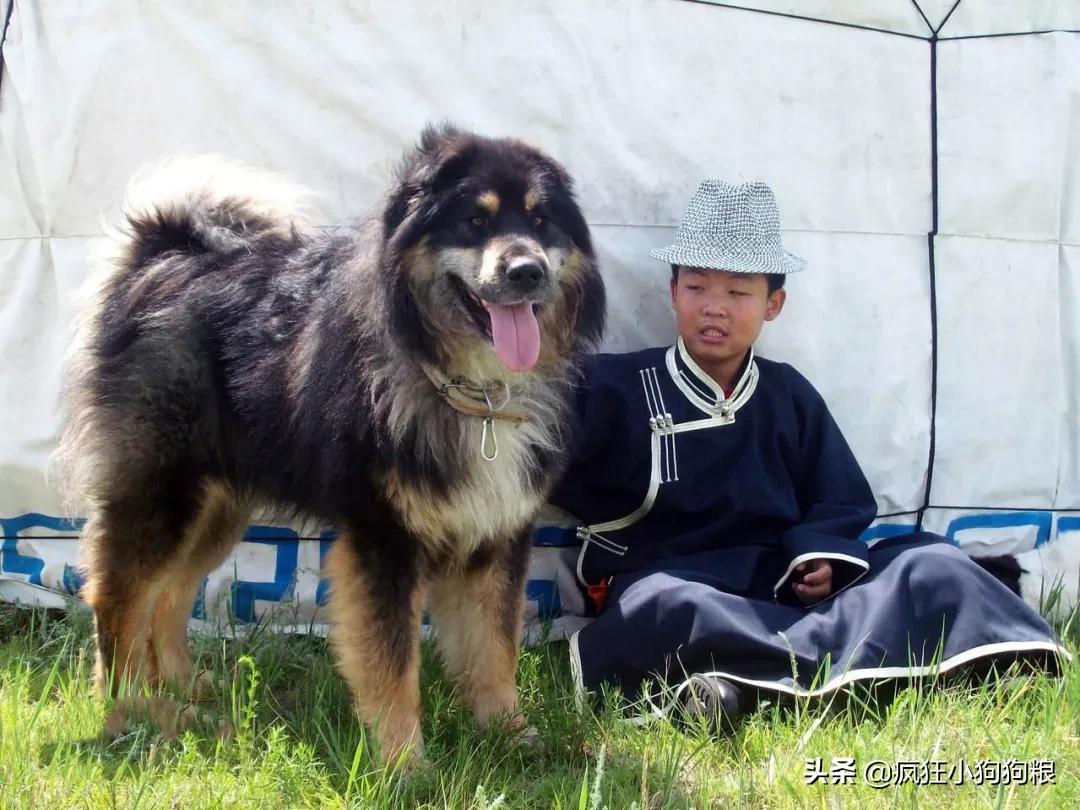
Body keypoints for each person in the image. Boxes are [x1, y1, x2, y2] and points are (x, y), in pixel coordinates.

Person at [549, 180, 1067, 723]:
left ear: (773, 304)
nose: (714, 309)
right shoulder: (612, 386)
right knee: (661, 609)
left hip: (781, 582)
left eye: (738, 292)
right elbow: (531, 458)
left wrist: (819, 555)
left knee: (931, 561)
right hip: (678, 581)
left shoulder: (787, 393)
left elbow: (838, 496)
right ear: (673, 290)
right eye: (698, 287)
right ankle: (858, 671)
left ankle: (745, 686)